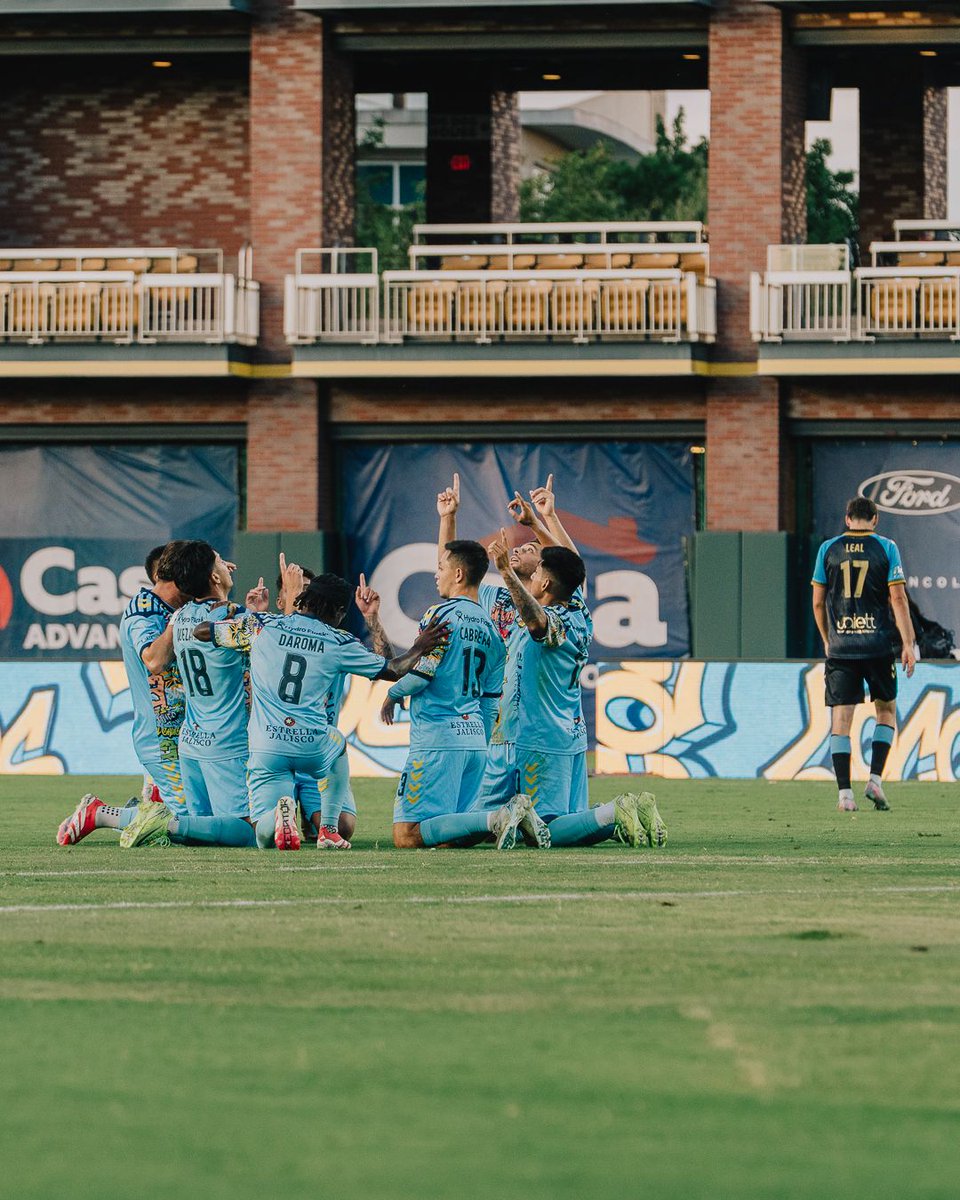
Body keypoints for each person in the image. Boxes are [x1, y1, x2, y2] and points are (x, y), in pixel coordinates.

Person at [196, 573, 445, 850]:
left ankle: (278, 816)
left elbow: (202, 632)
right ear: (338, 610)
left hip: (267, 744)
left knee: (263, 834)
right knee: (337, 744)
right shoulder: (338, 641)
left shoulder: (263, 626)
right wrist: (419, 646)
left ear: (305, 599)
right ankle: (328, 830)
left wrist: (233, 614)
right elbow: (393, 669)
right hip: (312, 744)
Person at [486, 529, 666, 850]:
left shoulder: (552, 620)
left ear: (545, 584)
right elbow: (574, 568)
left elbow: (537, 623)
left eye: (538, 572)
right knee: (571, 822)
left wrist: (505, 572)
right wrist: (544, 519)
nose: (534, 575)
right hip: (571, 735)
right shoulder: (579, 612)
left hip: (541, 737)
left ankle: (613, 812)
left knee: (540, 829)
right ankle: (626, 814)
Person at [376, 540, 520, 850]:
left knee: (407, 835)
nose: (435, 574)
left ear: (457, 574)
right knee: (446, 838)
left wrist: (393, 692)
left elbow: (423, 673)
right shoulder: (493, 631)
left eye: (440, 567)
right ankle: (499, 820)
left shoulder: (440, 615)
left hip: (438, 740)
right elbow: (490, 701)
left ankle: (497, 818)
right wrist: (477, 740)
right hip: (475, 743)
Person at [56, 539, 192, 845]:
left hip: (187, 729)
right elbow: (154, 661)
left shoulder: (183, 610)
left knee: (188, 816)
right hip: (164, 735)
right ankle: (102, 814)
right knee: (186, 823)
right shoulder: (146, 610)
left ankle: (131, 808)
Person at [811, 495, 916, 812]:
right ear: (875, 519)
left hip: (842, 648)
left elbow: (818, 602)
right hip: (877, 646)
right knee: (886, 711)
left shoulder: (827, 549)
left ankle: (845, 795)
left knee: (841, 719)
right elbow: (898, 598)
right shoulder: (886, 547)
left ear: (847, 519)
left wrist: (827, 639)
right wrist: (908, 643)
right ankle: (875, 780)